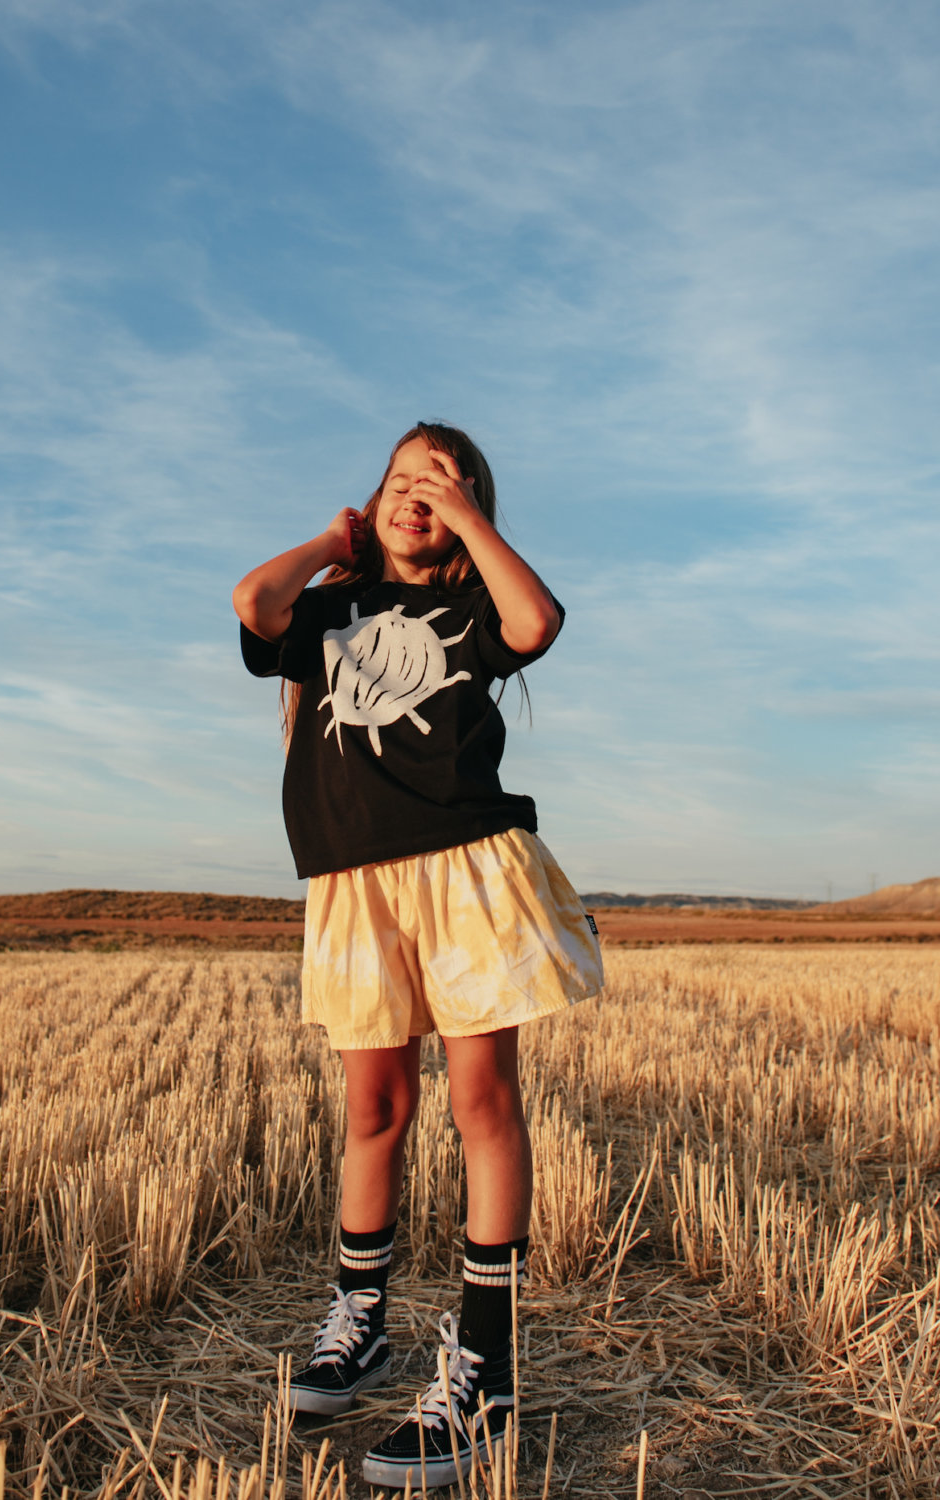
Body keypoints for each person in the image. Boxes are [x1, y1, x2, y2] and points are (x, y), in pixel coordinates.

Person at [233, 422, 603, 1489]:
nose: (417, 494)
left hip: (465, 869)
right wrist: (327, 542)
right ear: (371, 498)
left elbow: (536, 621)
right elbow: (251, 605)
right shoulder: (329, 612)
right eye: (401, 479)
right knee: (374, 1111)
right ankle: (362, 1318)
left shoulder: (474, 610)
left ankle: (483, 1369)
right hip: (353, 883)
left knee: (481, 1100)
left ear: (465, 508)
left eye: (439, 484)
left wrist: (471, 521)